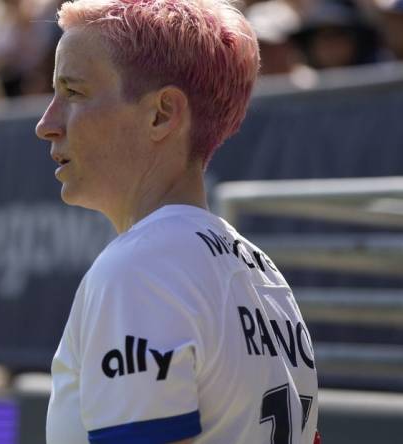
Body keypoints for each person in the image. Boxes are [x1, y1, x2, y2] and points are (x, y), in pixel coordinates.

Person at [35, 0, 319, 443]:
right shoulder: (265, 274)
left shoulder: (140, 269)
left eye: (73, 92)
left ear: (162, 113)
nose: (46, 124)